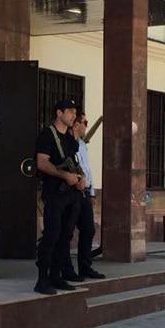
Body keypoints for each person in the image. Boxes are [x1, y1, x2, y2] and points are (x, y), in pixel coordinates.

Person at [33, 99, 85, 295]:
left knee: (65, 236)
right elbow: (42, 162)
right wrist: (64, 176)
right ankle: (42, 280)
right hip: (55, 193)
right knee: (51, 236)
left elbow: (74, 162)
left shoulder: (70, 139)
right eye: (70, 112)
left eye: (75, 113)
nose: (73, 116)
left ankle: (56, 276)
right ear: (59, 113)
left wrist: (80, 178)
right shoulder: (47, 135)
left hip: (71, 195)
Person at [60, 111, 105, 280]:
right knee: (67, 232)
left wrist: (91, 192)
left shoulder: (82, 144)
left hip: (84, 192)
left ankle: (85, 267)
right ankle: (66, 270)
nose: (87, 125)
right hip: (71, 191)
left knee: (88, 229)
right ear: (76, 124)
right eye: (85, 122)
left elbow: (87, 170)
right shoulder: (67, 143)